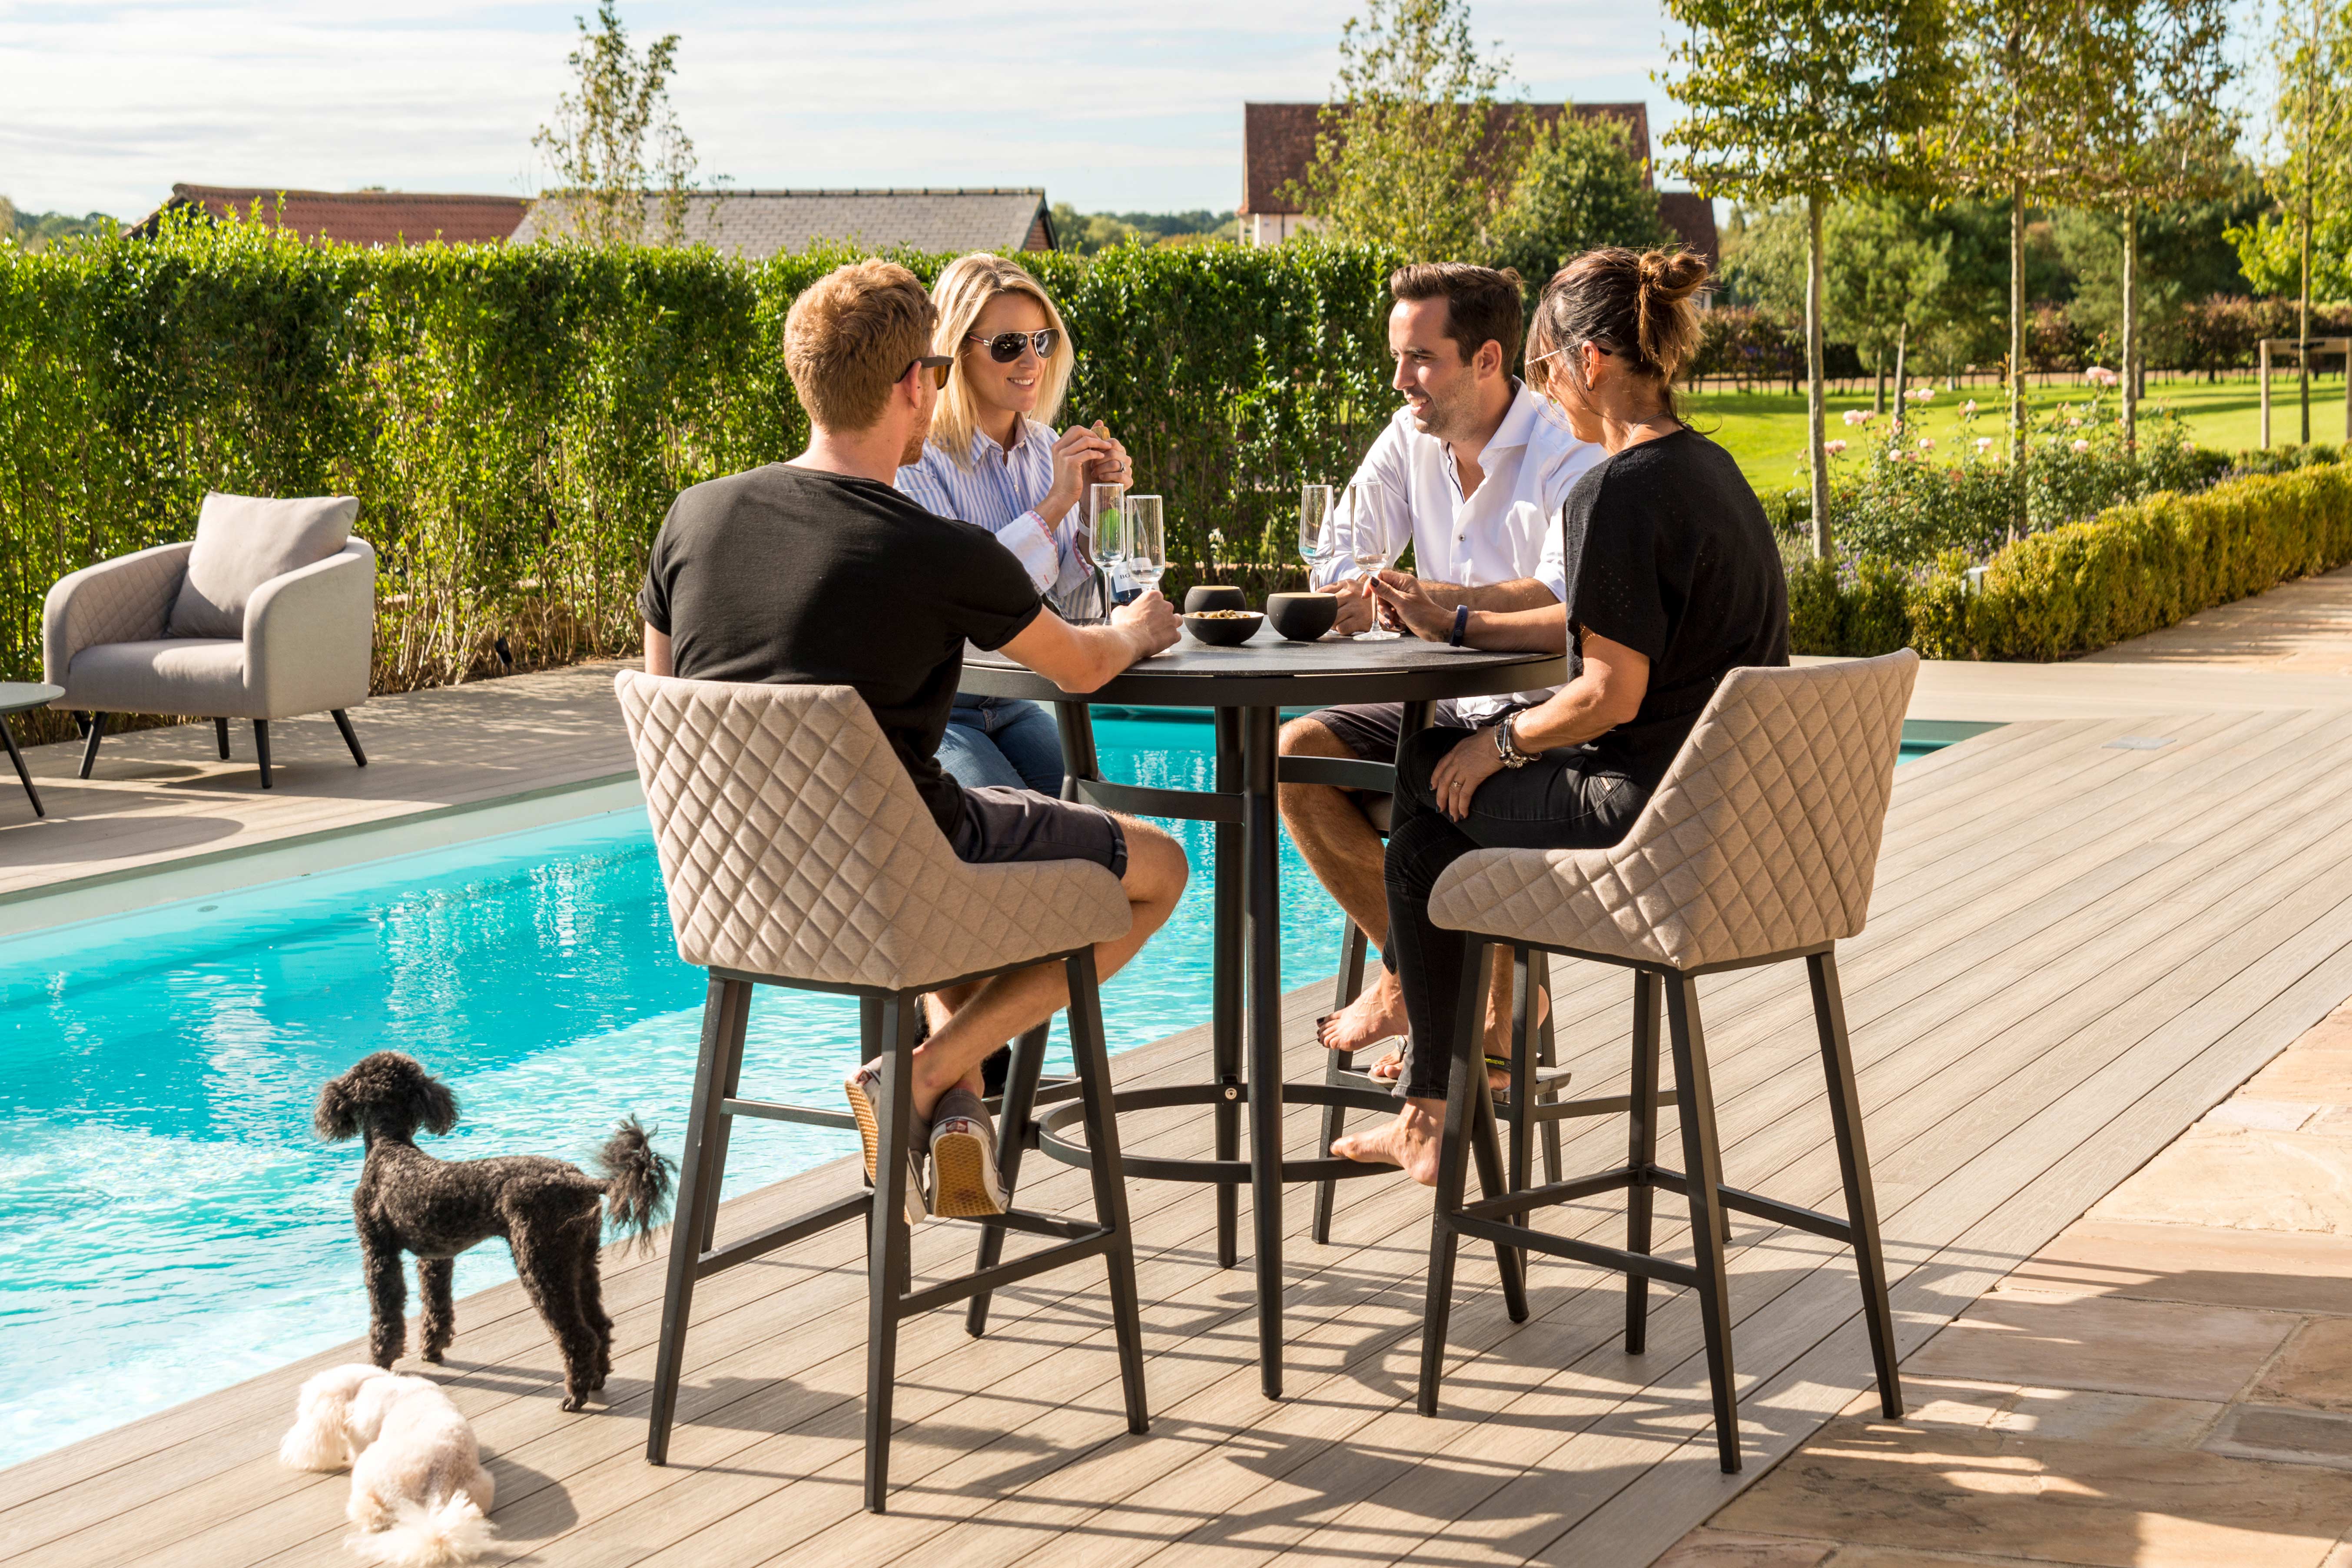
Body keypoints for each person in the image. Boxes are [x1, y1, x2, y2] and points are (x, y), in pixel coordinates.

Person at [638, 258, 1186, 1219]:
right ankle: (929, 1070)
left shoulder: (694, 517)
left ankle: (955, 1097)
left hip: (731, 895)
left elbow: (665, 701)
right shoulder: (935, 550)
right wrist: (1140, 629)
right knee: (1162, 867)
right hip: (900, 886)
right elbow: (1080, 666)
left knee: (963, 841)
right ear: (915, 385)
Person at [1328, 246, 1790, 1183]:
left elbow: (1608, 693)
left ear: (1588, 361)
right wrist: (1464, 634)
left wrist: (1497, 745)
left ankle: (1431, 1107)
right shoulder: (1713, 470)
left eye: (1543, 367)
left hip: (1649, 820)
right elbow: (1617, 646)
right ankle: (1465, 1057)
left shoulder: (1611, 489)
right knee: (1434, 784)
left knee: (1424, 796)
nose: (1542, 392)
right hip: (1740, 823)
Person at [1277, 262, 1602, 1081]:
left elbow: (1563, 595)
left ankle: (1480, 1017)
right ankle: (1406, 971)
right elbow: (1333, 556)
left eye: (1420, 358)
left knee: (1442, 786)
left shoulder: (1563, 448)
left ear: (1487, 359)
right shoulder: (1407, 436)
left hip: (1541, 723)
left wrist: (1436, 602)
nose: (1400, 380)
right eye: (1398, 356)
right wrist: (1364, 591)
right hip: (1444, 709)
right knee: (1296, 757)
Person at [896, 252, 1135, 798]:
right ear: (957, 350)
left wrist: (1096, 510)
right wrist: (1055, 504)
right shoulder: (918, 459)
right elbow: (966, 608)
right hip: (939, 707)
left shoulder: (1048, 450)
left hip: (1017, 697)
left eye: (1041, 341)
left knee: (1099, 817)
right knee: (1017, 830)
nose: (1031, 359)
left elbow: (1080, 614)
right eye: (1008, 345)